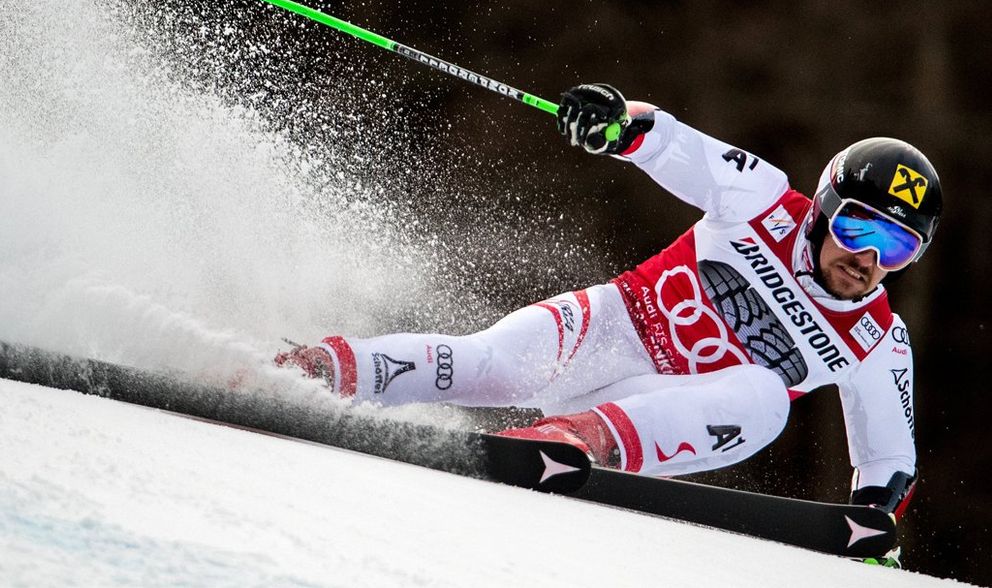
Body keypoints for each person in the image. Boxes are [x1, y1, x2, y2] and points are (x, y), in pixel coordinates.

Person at [277, 83, 941, 529]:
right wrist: (618, 123)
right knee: (492, 361)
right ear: (824, 210)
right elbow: (676, 145)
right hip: (609, 330)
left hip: (650, 414)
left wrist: (871, 532)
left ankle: (575, 441)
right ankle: (305, 371)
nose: (868, 260)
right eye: (859, 229)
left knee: (768, 399)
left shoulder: (878, 341)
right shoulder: (762, 198)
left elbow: (889, 461)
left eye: (898, 248)